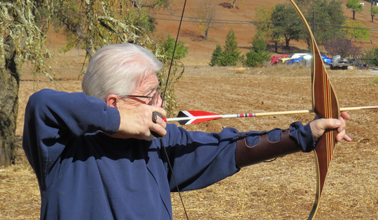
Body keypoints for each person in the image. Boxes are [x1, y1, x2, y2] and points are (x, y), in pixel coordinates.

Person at [23, 43, 351, 220]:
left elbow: (229, 148)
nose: (161, 102)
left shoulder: (158, 142)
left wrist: (306, 135)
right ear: (114, 102)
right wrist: (118, 121)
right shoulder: (63, 149)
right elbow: (42, 104)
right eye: (150, 95)